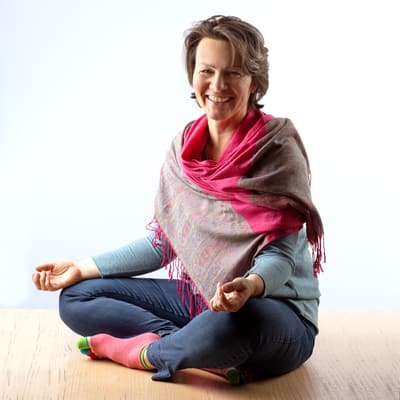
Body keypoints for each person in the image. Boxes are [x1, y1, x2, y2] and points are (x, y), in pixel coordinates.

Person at [32, 15, 325, 385]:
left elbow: (280, 258)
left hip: (276, 313)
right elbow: (166, 243)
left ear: (254, 81)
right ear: (193, 76)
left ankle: (145, 353)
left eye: (233, 73)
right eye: (207, 71)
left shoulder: (276, 149)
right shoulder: (184, 151)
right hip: (203, 300)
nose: (217, 85)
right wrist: (81, 267)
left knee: (237, 322)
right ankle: (189, 348)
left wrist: (250, 285)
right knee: (77, 297)